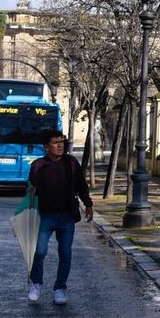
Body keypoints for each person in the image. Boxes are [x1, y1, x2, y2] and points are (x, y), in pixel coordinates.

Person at [26, 131, 93, 305]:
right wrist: (31, 192)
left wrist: (88, 204)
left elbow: (81, 185)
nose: (60, 145)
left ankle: (60, 288)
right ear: (46, 147)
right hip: (45, 216)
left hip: (67, 216)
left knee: (65, 253)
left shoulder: (71, 163)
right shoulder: (38, 166)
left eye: (62, 142)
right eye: (56, 143)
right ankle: (36, 283)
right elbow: (30, 190)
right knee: (40, 251)